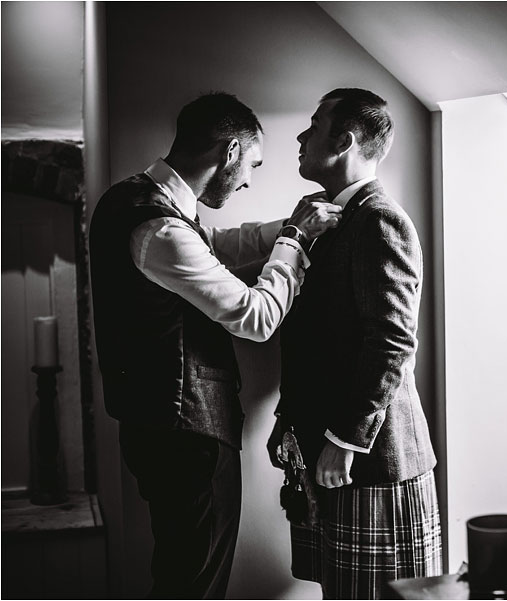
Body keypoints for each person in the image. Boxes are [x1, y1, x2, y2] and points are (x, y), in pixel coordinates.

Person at [89, 92, 341, 598]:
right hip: (188, 436)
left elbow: (218, 246)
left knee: (185, 574)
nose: (249, 178)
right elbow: (256, 317)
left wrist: (287, 227)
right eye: (251, 163)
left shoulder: (142, 202)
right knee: (196, 584)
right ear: (228, 153)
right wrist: (296, 242)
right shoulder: (159, 227)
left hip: (161, 428)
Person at [268, 88, 441, 599]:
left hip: (370, 459)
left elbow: (392, 342)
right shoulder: (326, 217)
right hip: (328, 448)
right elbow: (317, 338)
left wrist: (345, 440)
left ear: (343, 141)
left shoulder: (379, 219)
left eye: (313, 126)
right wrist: (289, 420)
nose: (301, 136)